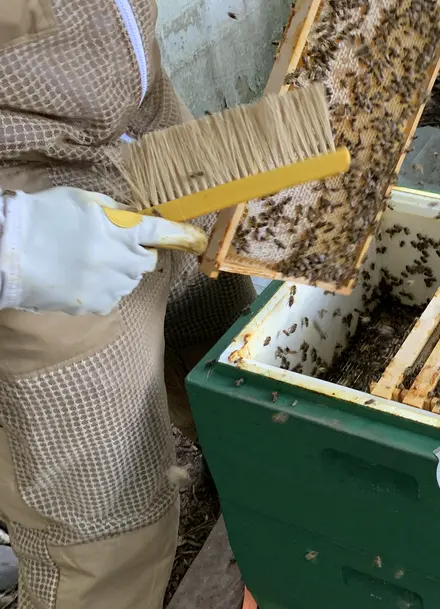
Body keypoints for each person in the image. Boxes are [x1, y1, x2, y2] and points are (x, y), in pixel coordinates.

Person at [0, 2, 256, 608]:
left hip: (149, 124)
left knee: (228, 353)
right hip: (31, 208)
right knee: (104, 536)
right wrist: (12, 242)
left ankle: (251, 504)